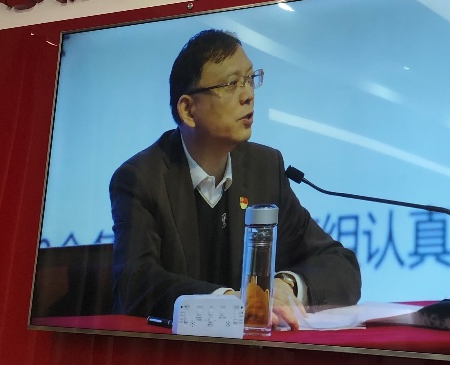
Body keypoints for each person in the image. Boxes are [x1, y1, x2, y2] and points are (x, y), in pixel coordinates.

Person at [110, 29, 360, 326]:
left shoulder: (265, 168)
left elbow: (341, 266)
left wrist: (286, 286)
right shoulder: (141, 178)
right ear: (188, 110)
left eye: (250, 79)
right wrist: (229, 302)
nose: (248, 95)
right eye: (231, 84)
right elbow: (135, 283)